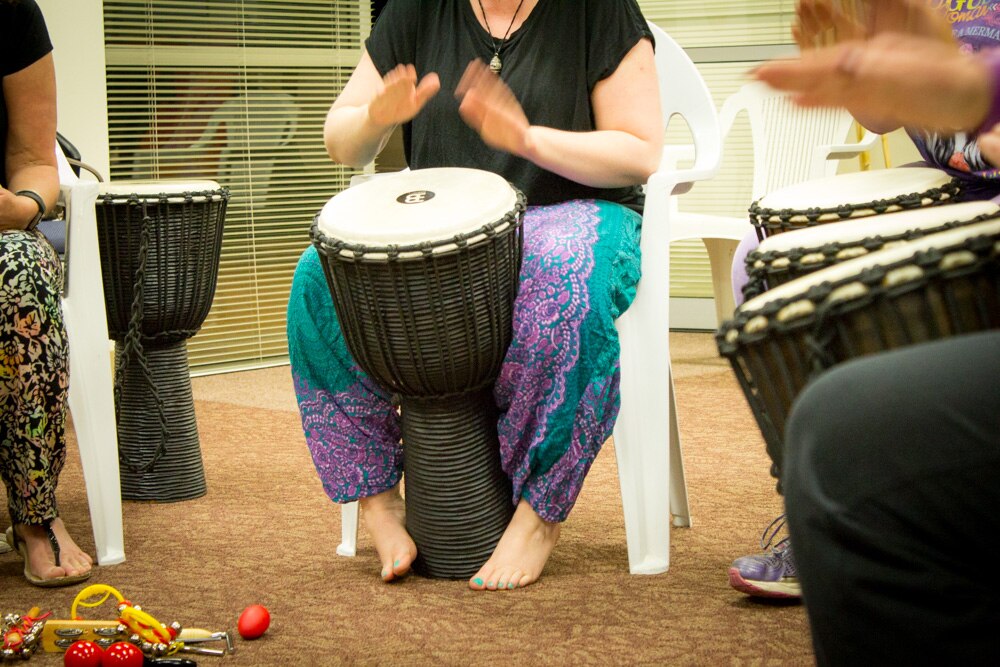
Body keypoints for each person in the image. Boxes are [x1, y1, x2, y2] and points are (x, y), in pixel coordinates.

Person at [286, 0, 662, 590]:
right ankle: (379, 503)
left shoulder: (598, 8)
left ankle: (538, 516)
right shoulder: (416, 9)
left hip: (570, 211)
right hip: (446, 232)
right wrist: (375, 119)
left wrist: (527, 139)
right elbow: (343, 142)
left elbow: (640, 152)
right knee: (320, 277)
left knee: (561, 280)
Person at [726, 0, 1000, 600]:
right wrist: (855, 62)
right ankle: (822, 511)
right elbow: (879, 116)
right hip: (949, 189)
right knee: (760, 255)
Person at [1, 0, 94, 586]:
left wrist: (24, 206)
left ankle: (35, 516)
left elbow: (34, 159)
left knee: (24, 273)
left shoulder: (9, 12)